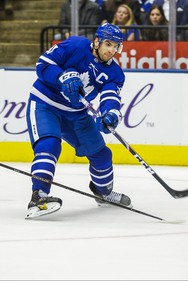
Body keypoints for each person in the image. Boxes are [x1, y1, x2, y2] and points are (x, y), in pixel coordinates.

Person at [25, 23, 132, 219]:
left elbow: (110, 96)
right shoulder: (76, 45)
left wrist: (110, 114)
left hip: (76, 114)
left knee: (102, 155)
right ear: (97, 41)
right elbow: (42, 64)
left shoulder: (115, 74)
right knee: (49, 145)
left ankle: (104, 194)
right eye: (108, 44)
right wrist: (61, 76)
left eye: (116, 46)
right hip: (45, 104)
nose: (111, 50)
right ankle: (38, 198)